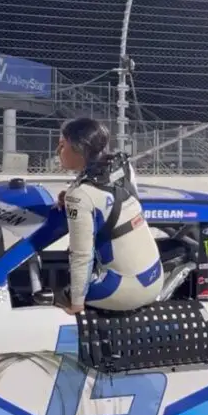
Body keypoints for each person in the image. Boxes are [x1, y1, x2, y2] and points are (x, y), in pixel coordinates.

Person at [53, 118, 163, 315]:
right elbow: (118, 200)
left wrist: (76, 303)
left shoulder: (79, 196)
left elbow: (81, 256)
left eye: (62, 144)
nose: (58, 151)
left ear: (79, 149)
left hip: (129, 289)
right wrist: (71, 194)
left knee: (59, 293)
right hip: (156, 276)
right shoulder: (122, 165)